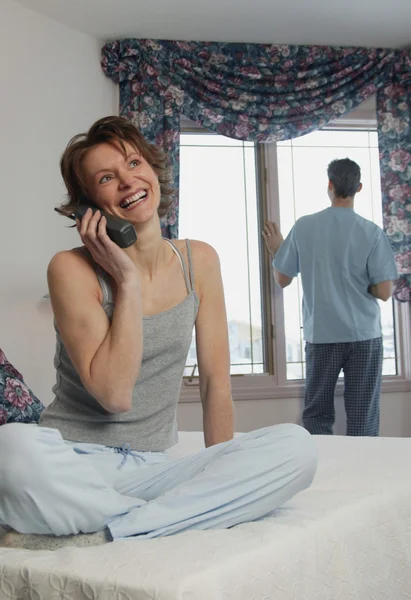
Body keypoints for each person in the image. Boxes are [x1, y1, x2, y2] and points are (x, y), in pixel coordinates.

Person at [0, 116, 317, 549]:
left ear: (153, 168)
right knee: (10, 448)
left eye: (134, 163)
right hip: (72, 461)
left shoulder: (199, 261)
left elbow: (215, 383)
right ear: (88, 205)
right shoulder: (70, 269)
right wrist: (126, 279)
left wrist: (217, 466)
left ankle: (105, 531)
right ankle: (165, 520)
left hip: (153, 468)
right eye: (107, 178)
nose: (128, 181)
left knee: (296, 449)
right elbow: (115, 394)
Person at [263, 158, 398, 437]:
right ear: (359, 187)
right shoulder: (371, 232)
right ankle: (360, 479)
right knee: (363, 418)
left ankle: (321, 475)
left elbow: (282, 279)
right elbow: (385, 292)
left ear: (330, 185)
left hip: (322, 336)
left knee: (317, 416)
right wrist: (366, 287)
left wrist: (278, 250)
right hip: (364, 337)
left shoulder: (304, 227)